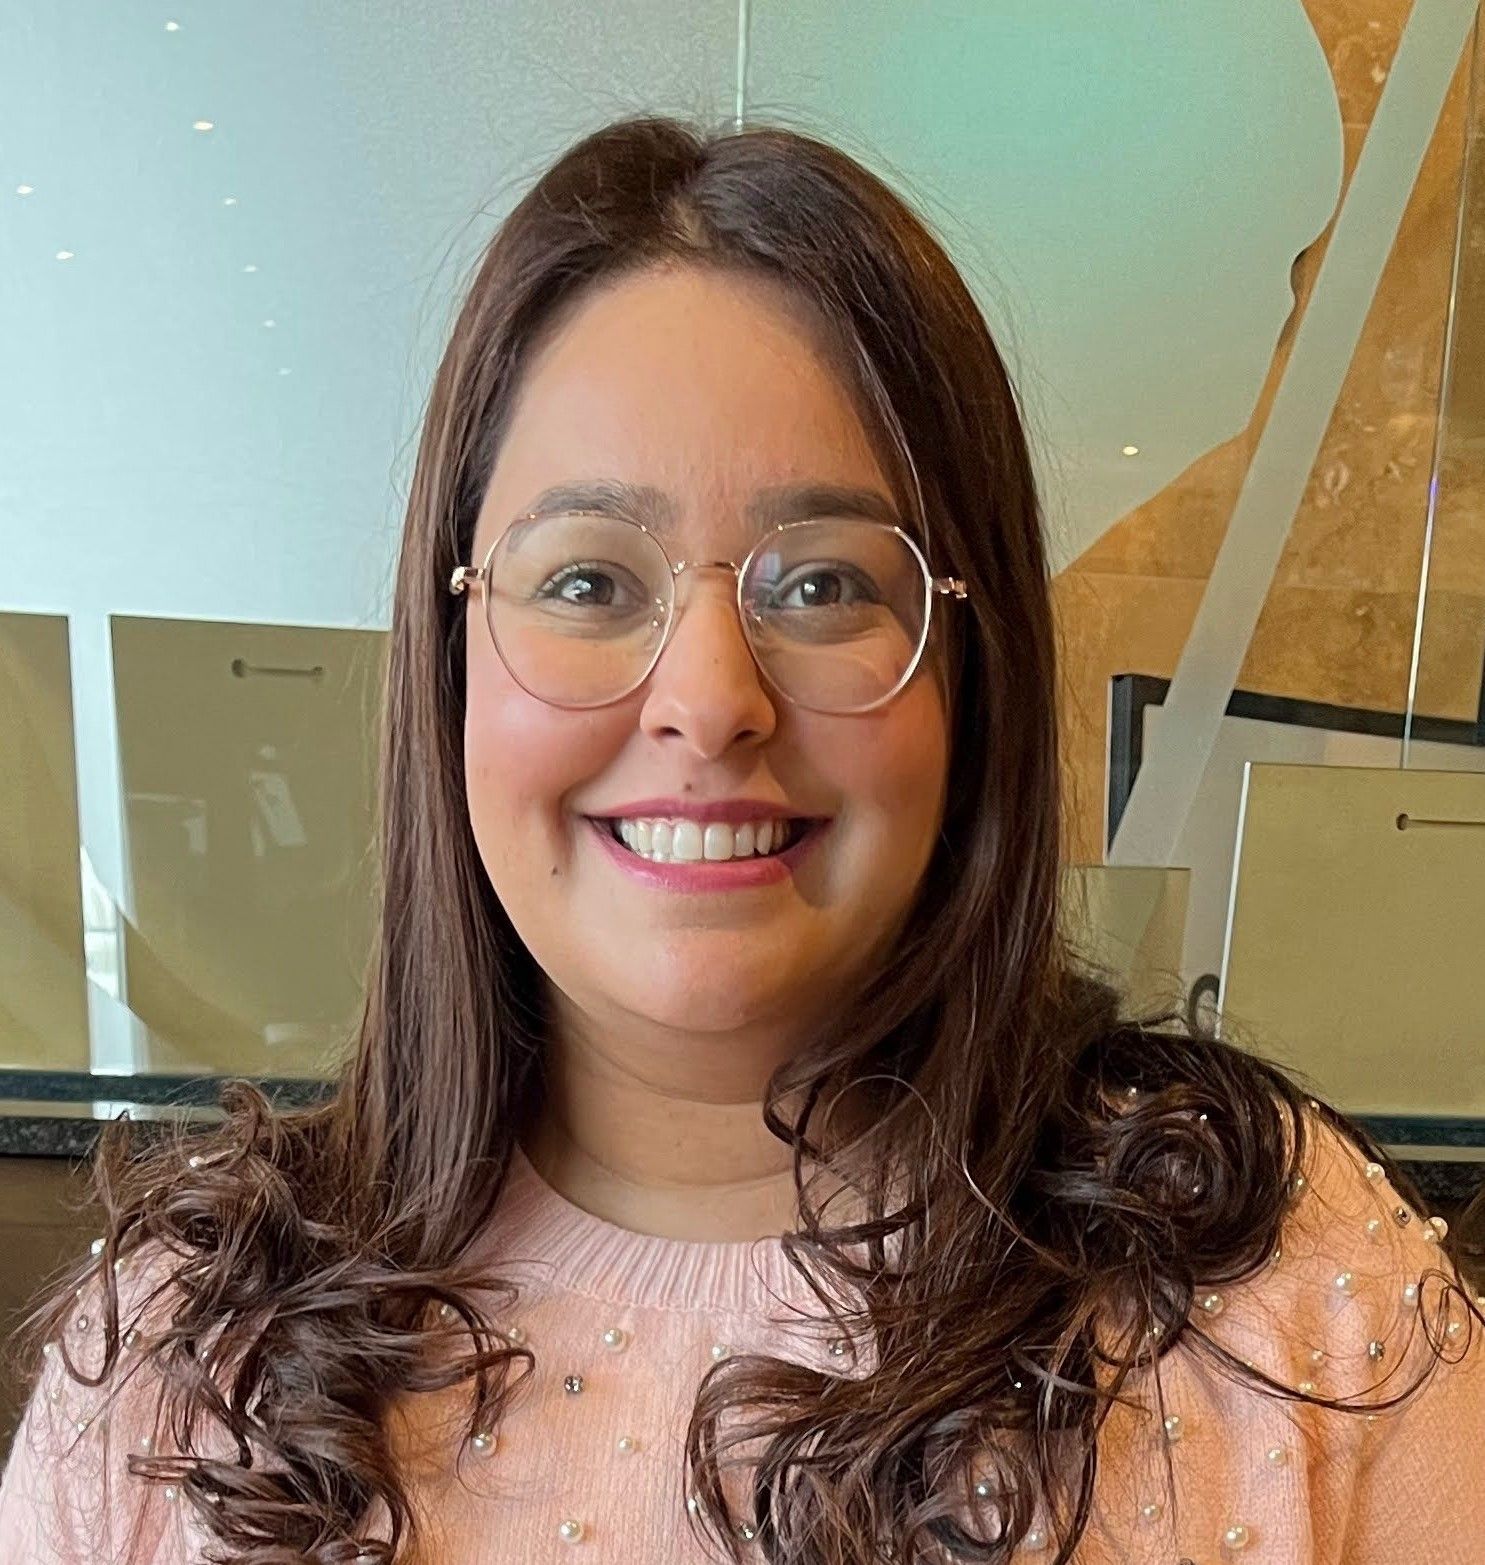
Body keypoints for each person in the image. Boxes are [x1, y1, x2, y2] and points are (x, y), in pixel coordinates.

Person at [2, 113, 1482, 1565]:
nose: (709, 700)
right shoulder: (185, 1366)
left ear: (971, 671)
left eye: (827, 584)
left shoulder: (1288, 1305)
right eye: (586, 581)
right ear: (447, 654)